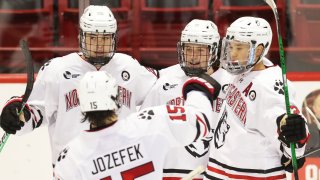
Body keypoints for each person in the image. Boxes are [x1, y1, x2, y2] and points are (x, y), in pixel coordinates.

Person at [0, 5, 157, 168]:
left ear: (114, 38)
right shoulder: (58, 70)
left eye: (105, 38)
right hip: (71, 168)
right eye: (93, 38)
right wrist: (15, 113)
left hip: (120, 167)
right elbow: (34, 111)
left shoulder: (128, 66)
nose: (99, 46)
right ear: (81, 37)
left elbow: (162, 89)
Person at [54, 71, 221, 180]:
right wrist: (197, 89)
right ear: (116, 97)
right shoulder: (149, 123)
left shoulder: (70, 157)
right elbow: (201, 121)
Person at [204, 16, 310, 179]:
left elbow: (290, 130)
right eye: (231, 47)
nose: (232, 53)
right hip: (222, 170)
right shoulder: (243, 70)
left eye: (239, 48)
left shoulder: (270, 85)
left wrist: (295, 137)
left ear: (259, 50)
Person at [141, 19, 234, 179]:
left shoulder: (231, 83)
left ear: (214, 50)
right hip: (171, 173)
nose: (193, 57)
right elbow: (144, 130)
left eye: (200, 51)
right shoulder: (165, 80)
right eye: (188, 49)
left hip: (216, 174)